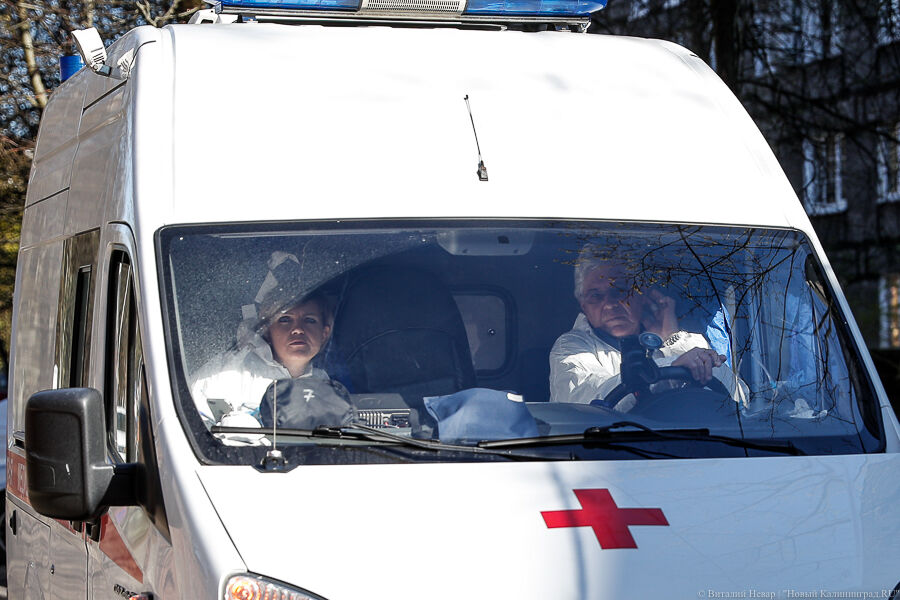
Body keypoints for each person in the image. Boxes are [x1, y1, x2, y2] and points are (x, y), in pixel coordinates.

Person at [549, 251, 745, 411]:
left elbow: (740, 398)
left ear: (641, 294)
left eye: (619, 290)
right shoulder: (570, 347)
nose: (609, 304)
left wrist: (672, 340)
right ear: (584, 306)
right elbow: (587, 402)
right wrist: (673, 366)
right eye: (595, 296)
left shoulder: (687, 343)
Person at [190, 251, 334, 428]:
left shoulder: (325, 384)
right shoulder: (228, 374)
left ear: (324, 333)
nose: (298, 329)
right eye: (285, 319)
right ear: (267, 331)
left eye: (309, 320)